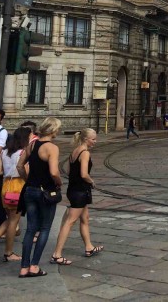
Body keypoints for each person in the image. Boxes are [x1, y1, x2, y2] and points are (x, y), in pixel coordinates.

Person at [16, 117, 63, 278]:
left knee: (30, 229)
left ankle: (23, 267)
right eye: (58, 129)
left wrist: (26, 180)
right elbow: (54, 172)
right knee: (44, 229)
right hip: (46, 192)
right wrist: (59, 183)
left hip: (30, 190)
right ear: (53, 130)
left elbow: (19, 166)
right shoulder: (52, 148)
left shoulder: (32, 145)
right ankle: (34, 266)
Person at [51, 129, 103, 265]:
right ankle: (57, 254)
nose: (95, 141)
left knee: (85, 218)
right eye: (93, 139)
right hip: (80, 191)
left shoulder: (74, 152)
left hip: (73, 189)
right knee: (70, 221)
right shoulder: (85, 153)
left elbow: (68, 171)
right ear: (86, 139)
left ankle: (89, 247)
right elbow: (84, 174)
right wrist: (92, 181)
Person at [0, 127, 31, 262]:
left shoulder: (4, 152)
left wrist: (8, 171)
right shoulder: (23, 152)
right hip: (18, 187)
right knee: (14, 222)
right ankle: (8, 253)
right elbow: (24, 170)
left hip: (6, 186)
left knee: (9, 218)